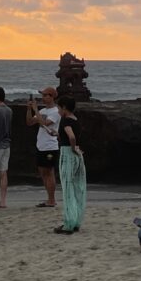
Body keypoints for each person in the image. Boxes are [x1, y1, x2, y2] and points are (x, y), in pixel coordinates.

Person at [54, 96, 84, 234]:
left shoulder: (65, 120)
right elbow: (70, 136)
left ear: (64, 107)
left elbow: (71, 137)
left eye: (59, 107)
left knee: (67, 189)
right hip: (77, 156)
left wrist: (72, 148)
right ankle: (76, 220)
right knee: (77, 188)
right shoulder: (75, 120)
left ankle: (68, 223)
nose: (58, 110)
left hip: (68, 155)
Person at [26, 86, 60, 208]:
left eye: (46, 95)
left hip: (50, 146)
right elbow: (29, 122)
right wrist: (29, 109)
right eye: (43, 95)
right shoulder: (42, 111)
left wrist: (35, 110)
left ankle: (52, 199)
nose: (43, 98)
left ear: (52, 97)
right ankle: (49, 198)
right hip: (41, 145)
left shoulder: (56, 111)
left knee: (49, 171)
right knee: (42, 172)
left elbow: (45, 123)